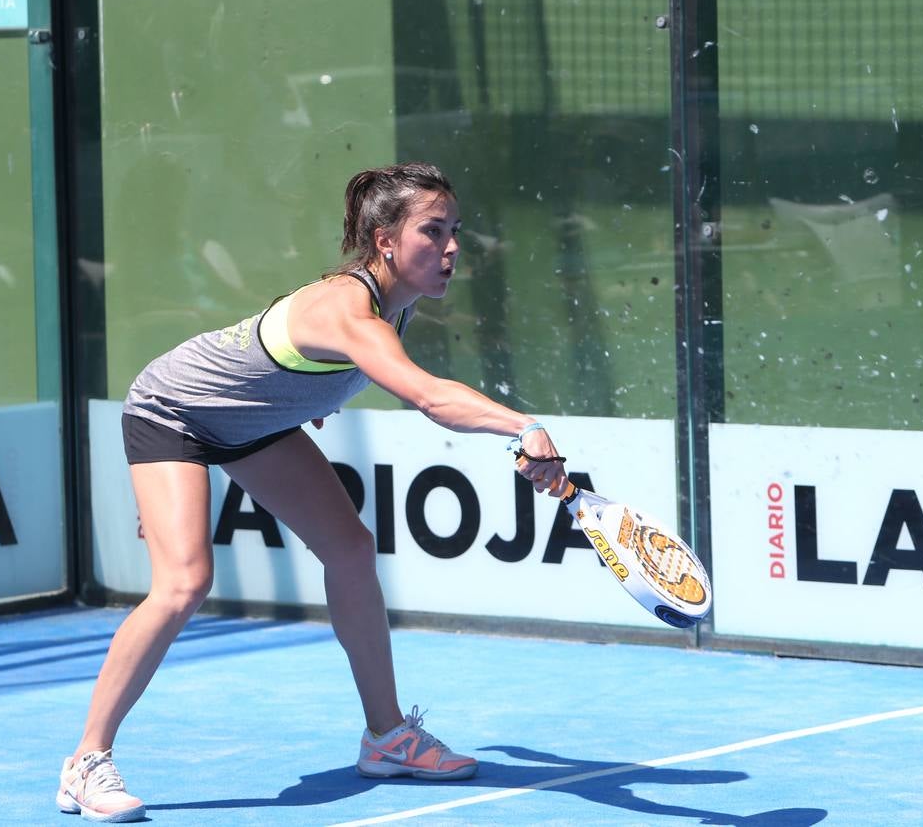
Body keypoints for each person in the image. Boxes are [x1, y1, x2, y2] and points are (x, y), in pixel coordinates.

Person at [56, 162, 569, 822]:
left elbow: (295, 365)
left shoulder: (394, 305)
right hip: (171, 412)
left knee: (351, 549)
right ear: (385, 240)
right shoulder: (350, 312)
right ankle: (86, 762)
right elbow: (428, 397)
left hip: (252, 423)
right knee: (185, 582)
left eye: (456, 230)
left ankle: (387, 738)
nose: (451, 248)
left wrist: (304, 396)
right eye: (432, 231)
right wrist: (524, 427)